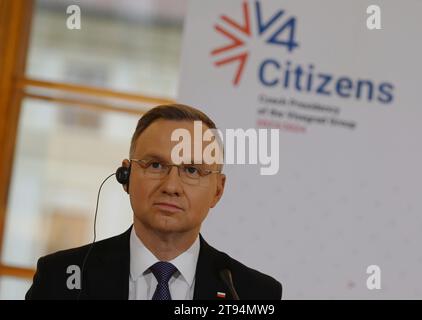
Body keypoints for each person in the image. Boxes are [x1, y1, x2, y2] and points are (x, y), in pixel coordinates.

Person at [25, 104, 282, 300]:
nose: (171, 187)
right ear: (126, 176)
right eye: (156, 165)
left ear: (218, 190)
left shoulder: (252, 293)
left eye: (192, 170)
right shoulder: (60, 276)